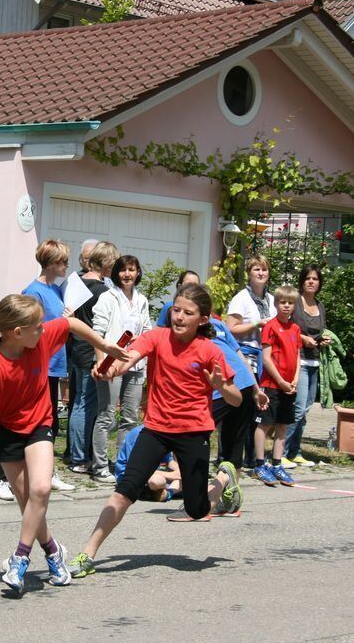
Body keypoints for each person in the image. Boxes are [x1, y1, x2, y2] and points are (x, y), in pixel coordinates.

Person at [67, 284, 243, 580]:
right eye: (176, 310)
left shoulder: (210, 350)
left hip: (194, 432)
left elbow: (236, 399)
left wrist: (221, 385)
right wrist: (109, 370)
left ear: (202, 319)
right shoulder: (157, 337)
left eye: (188, 313)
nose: (179, 317)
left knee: (197, 510)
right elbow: (129, 358)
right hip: (157, 429)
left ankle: (224, 478)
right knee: (124, 491)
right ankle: (88, 553)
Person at [0, 294, 127, 594]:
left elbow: (71, 322)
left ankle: (19, 558)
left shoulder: (38, 339)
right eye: (38, 327)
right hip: (8, 434)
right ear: (18, 332)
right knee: (30, 503)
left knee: (40, 489)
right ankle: (54, 552)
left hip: (40, 424)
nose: (44, 330)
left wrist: (103, 345)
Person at [89, 254, 151, 483]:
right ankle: (100, 467)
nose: (127, 274)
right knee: (106, 415)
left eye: (132, 269)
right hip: (111, 364)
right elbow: (97, 333)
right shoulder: (108, 297)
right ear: (117, 272)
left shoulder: (142, 300)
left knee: (129, 417)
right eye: (123, 269)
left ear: (137, 273)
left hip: (135, 364)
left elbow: (146, 332)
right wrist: (101, 362)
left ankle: (122, 464)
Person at [21, 239, 74, 492]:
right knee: (34, 419)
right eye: (63, 261)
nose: (66, 266)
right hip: (39, 364)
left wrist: (67, 320)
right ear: (51, 263)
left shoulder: (56, 290)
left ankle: (46, 472)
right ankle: (16, 474)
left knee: (50, 420)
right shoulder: (34, 292)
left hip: (54, 363)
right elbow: (31, 328)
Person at [67, 241, 119, 474]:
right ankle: (80, 458)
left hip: (76, 347)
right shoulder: (102, 290)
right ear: (107, 263)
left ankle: (76, 453)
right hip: (91, 350)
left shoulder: (76, 283)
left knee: (78, 401)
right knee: (86, 405)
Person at [225, 255, 275, 468]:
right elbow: (230, 329)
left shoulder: (272, 299)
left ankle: (253, 456)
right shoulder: (241, 298)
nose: (261, 273)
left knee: (260, 409)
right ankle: (230, 456)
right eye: (256, 269)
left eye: (264, 269)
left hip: (265, 357)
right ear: (249, 272)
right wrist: (256, 324)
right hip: (245, 357)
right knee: (243, 408)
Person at [208, 312, 267, 481]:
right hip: (234, 384)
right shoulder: (190, 327)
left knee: (199, 434)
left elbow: (240, 357)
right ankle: (225, 489)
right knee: (229, 441)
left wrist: (256, 390)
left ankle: (228, 491)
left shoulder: (217, 325)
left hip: (236, 384)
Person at [252, 286, 301, 488]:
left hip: (288, 386)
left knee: (283, 424)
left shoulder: (296, 329)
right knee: (265, 423)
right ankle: (259, 463)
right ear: (276, 304)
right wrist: (280, 380)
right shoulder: (271, 326)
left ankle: (277, 463)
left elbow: (298, 356)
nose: (286, 306)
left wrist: (295, 379)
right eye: (283, 302)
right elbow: (267, 357)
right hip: (272, 384)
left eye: (290, 303)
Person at [284, 265, 327, 468]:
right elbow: (287, 328)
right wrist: (302, 338)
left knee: (307, 408)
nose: (311, 282)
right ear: (302, 281)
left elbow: (320, 332)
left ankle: (295, 451)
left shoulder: (320, 305)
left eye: (315, 279)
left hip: (315, 361)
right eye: (308, 278)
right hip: (298, 360)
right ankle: (281, 452)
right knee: (298, 408)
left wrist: (322, 340)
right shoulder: (296, 303)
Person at [114, 424, 181, 503]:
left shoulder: (163, 431)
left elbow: (169, 461)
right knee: (157, 481)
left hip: (155, 471)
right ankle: (169, 492)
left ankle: (163, 493)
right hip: (132, 475)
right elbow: (136, 469)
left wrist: (179, 470)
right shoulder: (138, 434)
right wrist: (171, 475)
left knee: (186, 474)